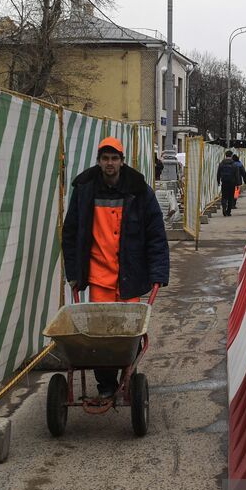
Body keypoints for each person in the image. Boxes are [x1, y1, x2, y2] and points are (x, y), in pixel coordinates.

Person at [62, 136, 170, 398]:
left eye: (114, 158)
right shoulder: (85, 188)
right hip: (98, 276)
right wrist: (75, 274)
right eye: (105, 158)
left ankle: (127, 374)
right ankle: (106, 386)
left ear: (122, 161)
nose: (109, 163)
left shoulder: (139, 190)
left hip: (129, 276)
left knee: (127, 336)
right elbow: (71, 233)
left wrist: (158, 273)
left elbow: (155, 234)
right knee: (101, 338)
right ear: (99, 161)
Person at [218, 150, 244, 216]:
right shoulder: (234, 164)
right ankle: (228, 211)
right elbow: (237, 175)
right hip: (232, 183)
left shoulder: (221, 164)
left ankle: (224, 208)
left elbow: (218, 174)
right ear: (231, 156)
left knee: (224, 196)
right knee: (230, 197)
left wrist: (218, 181)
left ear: (225, 155)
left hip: (224, 182)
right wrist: (238, 184)